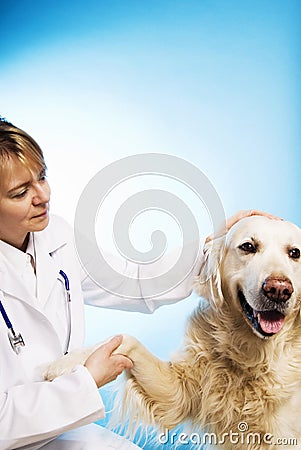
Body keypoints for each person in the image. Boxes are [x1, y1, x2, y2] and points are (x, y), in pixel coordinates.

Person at [0, 117, 276, 450]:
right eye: (20, 192)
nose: (42, 196)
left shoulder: (56, 237)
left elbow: (133, 279)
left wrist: (213, 249)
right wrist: (87, 380)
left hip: (61, 431)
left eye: (42, 177)